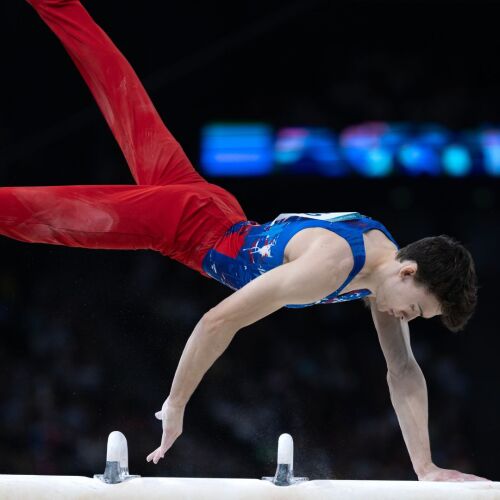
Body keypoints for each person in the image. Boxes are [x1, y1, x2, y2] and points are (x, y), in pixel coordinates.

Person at [9, 0, 485, 481]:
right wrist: (176, 405)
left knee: (120, 89)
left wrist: (426, 469)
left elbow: (403, 370)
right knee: (35, 214)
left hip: (213, 207)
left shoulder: (383, 265)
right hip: (180, 224)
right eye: (417, 309)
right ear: (409, 271)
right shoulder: (331, 265)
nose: (407, 318)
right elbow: (219, 320)